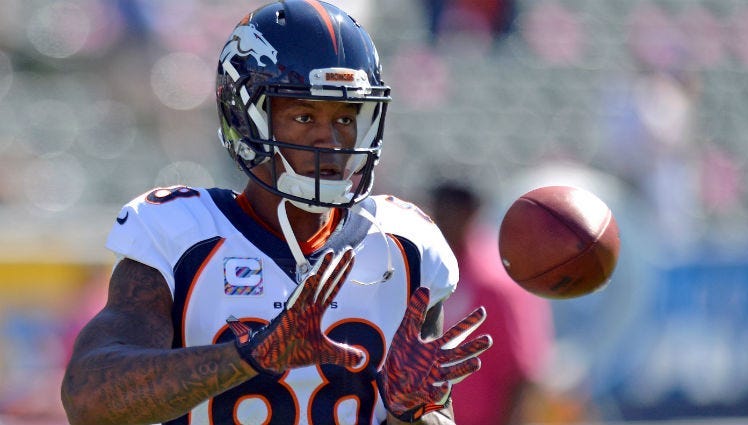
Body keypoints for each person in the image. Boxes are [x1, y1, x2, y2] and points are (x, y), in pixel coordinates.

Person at [60, 1, 492, 424]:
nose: (331, 141)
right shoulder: (179, 235)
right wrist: (251, 356)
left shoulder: (406, 245)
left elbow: (434, 413)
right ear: (245, 117)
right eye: (305, 116)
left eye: (346, 118)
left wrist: (412, 413)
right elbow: (88, 401)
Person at [428, 182, 554, 425]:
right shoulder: (422, 272)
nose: (443, 220)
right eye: (439, 210)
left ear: (471, 213)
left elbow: (522, 372)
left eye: (451, 210)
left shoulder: (497, 282)